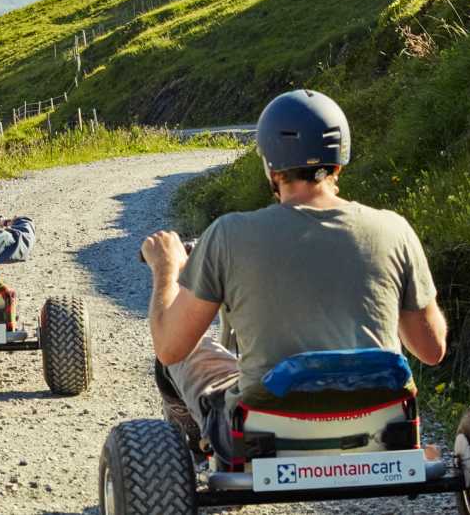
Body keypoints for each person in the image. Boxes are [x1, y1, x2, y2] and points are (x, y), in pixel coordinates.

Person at [141, 89, 449, 448]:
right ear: (341, 158)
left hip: (262, 434)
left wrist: (167, 268)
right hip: (381, 425)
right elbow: (431, 349)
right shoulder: (394, 230)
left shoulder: (228, 234)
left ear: (270, 166)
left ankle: (194, 449)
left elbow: (169, 347)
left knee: (186, 356)